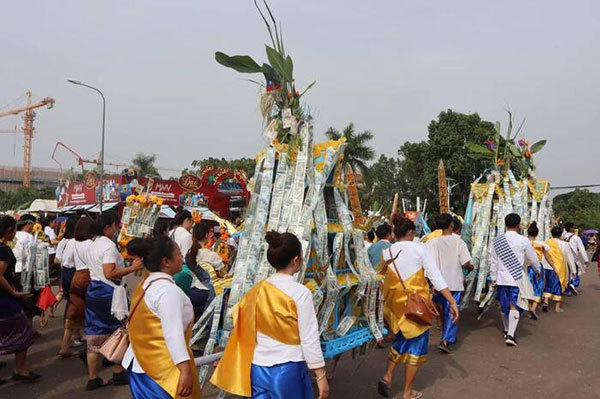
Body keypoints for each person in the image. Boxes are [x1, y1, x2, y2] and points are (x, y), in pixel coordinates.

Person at [212, 231, 328, 399]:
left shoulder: (255, 291)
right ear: (296, 260)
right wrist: (320, 375)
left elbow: (239, 318)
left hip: (257, 369)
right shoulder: (301, 293)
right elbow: (309, 338)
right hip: (289, 369)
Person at [379, 215, 458, 399]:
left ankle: (387, 376)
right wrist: (452, 301)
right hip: (416, 308)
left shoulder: (387, 252)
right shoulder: (419, 249)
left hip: (395, 309)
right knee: (416, 348)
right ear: (410, 232)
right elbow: (435, 277)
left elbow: (379, 279)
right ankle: (407, 392)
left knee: (400, 341)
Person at [122, 236, 201, 399]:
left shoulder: (145, 285)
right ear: (166, 261)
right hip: (161, 371)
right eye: (178, 253)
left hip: (140, 364)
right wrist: (185, 370)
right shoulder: (167, 291)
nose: (182, 257)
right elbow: (173, 334)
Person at [85, 212, 143, 391]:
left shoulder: (91, 245)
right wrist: (132, 268)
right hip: (108, 293)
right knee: (119, 331)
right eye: (115, 226)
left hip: (94, 290)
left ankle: (93, 376)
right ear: (107, 228)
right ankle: (118, 370)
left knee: (94, 333)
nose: (117, 229)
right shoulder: (108, 246)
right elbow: (109, 272)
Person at [0, 215, 40, 383]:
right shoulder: (3, 250)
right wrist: (14, 293)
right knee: (23, 331)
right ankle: (20, 369)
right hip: (4, 299)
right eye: (14, 230)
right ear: (9, 230)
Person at [489, 213, 540, 346]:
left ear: (505, 224)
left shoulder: (497, 240)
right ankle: (510, 335)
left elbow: (493, 261)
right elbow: (533, 259)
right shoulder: (524, 240)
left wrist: (493, 277)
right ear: (518, 225)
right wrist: (538, 270)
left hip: (501, 278)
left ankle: (507, 330)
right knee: (514, 305)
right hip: (517, 278)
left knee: (503, 305)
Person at [425, 213, 472, 353]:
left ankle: (447, 334)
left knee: (442, 309)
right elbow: (466, 263)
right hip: (454, 283)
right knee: (452, 310)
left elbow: (427, 265)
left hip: (437, 283)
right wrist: (471, 267)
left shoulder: (430, 243)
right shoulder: (459, 242)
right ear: (451, 224)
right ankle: (445, 340)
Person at [185, 222, 227, 319]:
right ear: (207, 235)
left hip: (194, 291)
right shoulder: (211, 255)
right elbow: (223, 273)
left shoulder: (190, 254)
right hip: (208, 294)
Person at [55, 215, 80, 357]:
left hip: (66, 275)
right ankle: (67, 344)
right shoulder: (76, 242)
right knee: (74, 309)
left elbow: (59, 260)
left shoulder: (64, 241)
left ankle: (73, 338)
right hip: (75, 276)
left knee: (73, 308)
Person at [542, 225, 576, 313]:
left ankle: (545, 300)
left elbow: (544, 255)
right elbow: (569, 257)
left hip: (547, 267)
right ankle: (557, 307)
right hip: (559, 268)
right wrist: (573, 270)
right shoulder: (564, 244)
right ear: (561, 234)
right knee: (559, 285)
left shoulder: (546, 242)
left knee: (548, 284)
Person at [525, 222, 554, 318]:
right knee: (538, 287)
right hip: (537, 267)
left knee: (527, 287)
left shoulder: (523, 242)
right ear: (537, 234)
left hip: (526, 267)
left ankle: (528, 307)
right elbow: (548, 256)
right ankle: (533, 308)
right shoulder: (541, 244)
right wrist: (554, 267)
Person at [562, 222, 589, 295]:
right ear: (571, 228)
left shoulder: (562, 237)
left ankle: (567, 289)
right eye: (573, 227)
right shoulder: (576, 238)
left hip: (563, 259)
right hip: (573, 259)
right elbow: (581, 249)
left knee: (566, 274)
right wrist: (586, 260)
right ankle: (572, 285)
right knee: (574, 273)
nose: (574, 229)